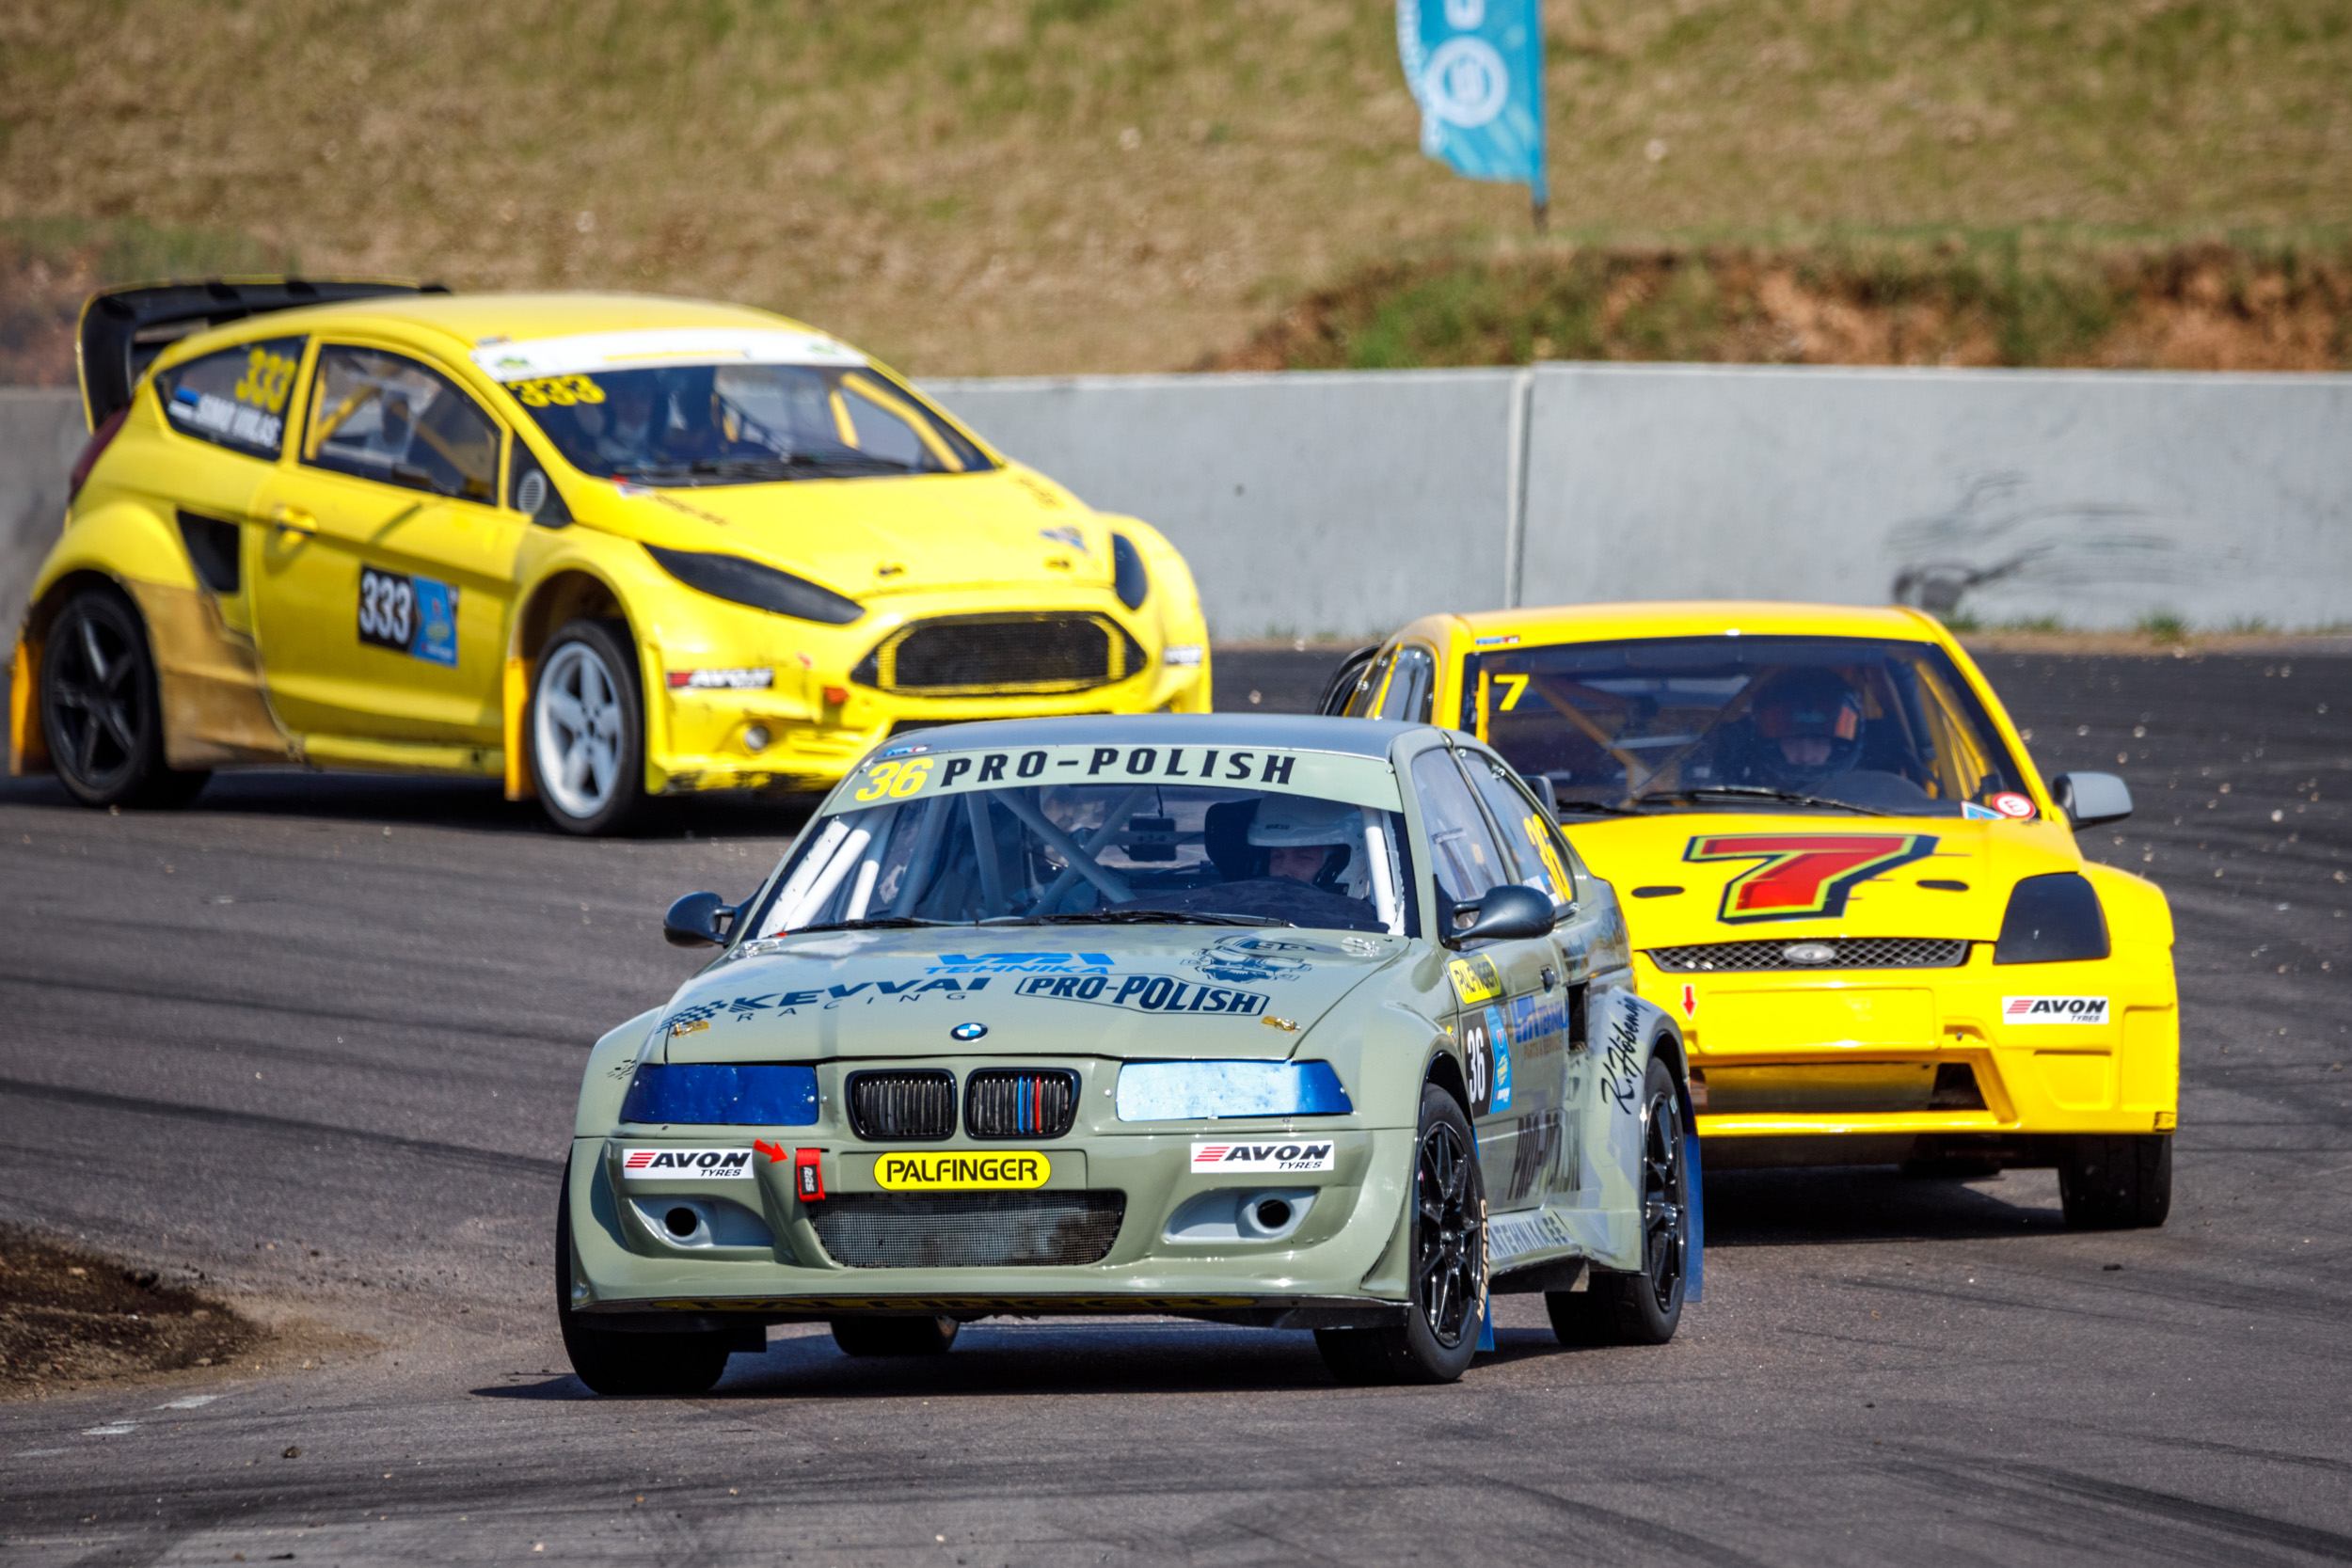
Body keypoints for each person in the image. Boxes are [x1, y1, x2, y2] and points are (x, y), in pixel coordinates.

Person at [1735, 668, 1867, 790]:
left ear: (1838, 746)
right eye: (1791, 742)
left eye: (1818, 742)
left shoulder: (1867, 793)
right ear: (1774, 746)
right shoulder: (1736, 791)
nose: (1806, 757)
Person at [1248, 797, 1372, 900]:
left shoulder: (1373, 920)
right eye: (1277, 857)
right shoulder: (1245, 916)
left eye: (1303, 857)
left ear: (1334, 866)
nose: (1283, 871)